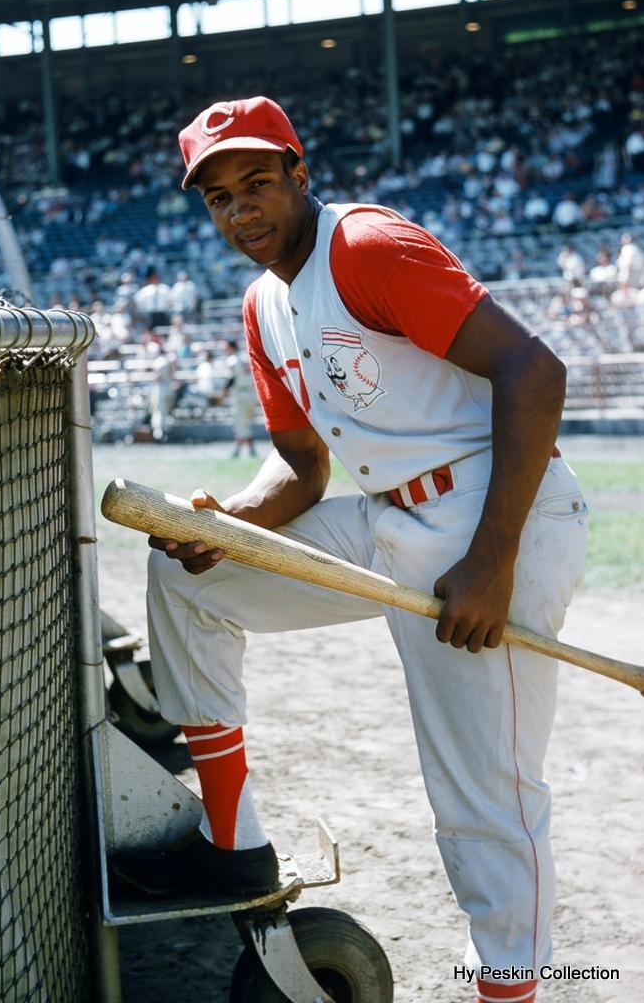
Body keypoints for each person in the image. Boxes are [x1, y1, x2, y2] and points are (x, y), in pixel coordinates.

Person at [119, 97, 589, 1003]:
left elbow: (536, 371)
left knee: (484, 798)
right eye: (218, 197)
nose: (240, 210)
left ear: (300, 172)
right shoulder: (264, 304)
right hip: (388, 522)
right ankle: (233, 844)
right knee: (186, 578)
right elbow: (301, 467)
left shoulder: (365, 247)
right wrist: (229, 522)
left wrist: (490, 563)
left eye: (256, 182)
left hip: (498, 519)